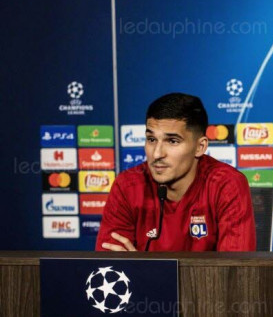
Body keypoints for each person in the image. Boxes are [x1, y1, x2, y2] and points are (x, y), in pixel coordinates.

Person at [96, 93, 256, 251]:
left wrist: (141, 266)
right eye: (151, 140)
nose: (157, 154)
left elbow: (234, 266)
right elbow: (108, 263)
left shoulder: (227, 185)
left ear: (200, 147)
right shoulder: (127, 186)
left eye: (172, 141)